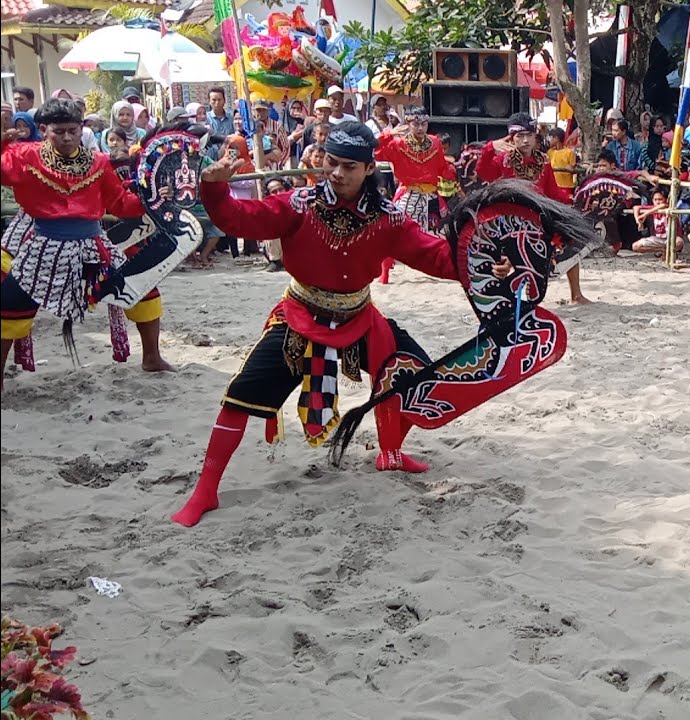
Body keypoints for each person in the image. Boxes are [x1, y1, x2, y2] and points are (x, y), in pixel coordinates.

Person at [171, 121, 515, 527]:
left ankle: (391, 453)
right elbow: (241, 219)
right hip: (300, 316)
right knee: (241, 394)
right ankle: (206, 489)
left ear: (369, 168)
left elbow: (436, 256)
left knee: (413, 376)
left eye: (349, 166)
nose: (336, 173)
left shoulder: (389, 218)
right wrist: (214, 190)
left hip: (359, 318)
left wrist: (483, 263)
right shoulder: (298, 204)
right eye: (330, 162)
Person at [1, 99, 173, 378]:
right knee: (9, 305)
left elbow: (120, 203)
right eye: (59, 132)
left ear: (81, 128)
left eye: (73, 130)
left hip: (93, 247)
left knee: (142, 289)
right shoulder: (23, 156)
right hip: (44, 247)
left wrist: (151, 199)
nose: (67, 137)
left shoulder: (98, 161)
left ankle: (152, 357)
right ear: (43, 129)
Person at [477, 112, 590, 304]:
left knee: (570, 236)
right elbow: (483, 172)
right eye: (520, 136)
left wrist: (573, 201)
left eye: (529, 135)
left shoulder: (543, 161)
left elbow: (552, 191)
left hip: (538, 217)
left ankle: (576, 295)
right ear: (511, 138)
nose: (525, 140)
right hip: (508, 219)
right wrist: (490, 148)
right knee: (505, 258)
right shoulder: (503, 160)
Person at [373, 107, 456, 282]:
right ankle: (385, 272)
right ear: (408, 124)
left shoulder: (435, 142)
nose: (420, 128)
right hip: (408, 194)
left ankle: (446, 267)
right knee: (393, 230)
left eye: (424, 124)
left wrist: (453, 171)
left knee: (439, 233)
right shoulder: (398, 144)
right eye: (415, 124)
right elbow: (376, 152)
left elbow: (441, 166)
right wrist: (388, 134)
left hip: (431, 196)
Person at [205, 87, 235, 156]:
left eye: (219, 100)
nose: (217, 103)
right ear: (209, 101)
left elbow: (235, 138)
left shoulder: (231, 118)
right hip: (211, 158)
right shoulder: (205, 118)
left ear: (224, 101)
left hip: (229, 156)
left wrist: (231, 158)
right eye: (214, 100)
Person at [547, 127, 578, 192]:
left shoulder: (569, 152)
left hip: (566, 186)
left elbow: (573, 168)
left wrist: (570, 168)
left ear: (556, 138)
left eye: (550, 137)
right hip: (553, 186)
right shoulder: (550, 152)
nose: (549, 140)